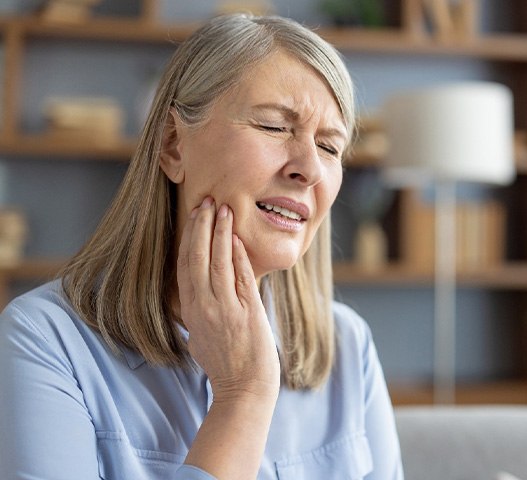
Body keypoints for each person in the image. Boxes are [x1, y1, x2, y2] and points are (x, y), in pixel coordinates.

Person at [0, 13, 403, 480]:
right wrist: (243, 396)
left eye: (330, 147)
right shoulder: (44, 342)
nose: (310, 168)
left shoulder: (348, 346)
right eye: (274, 127)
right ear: (173, 145)